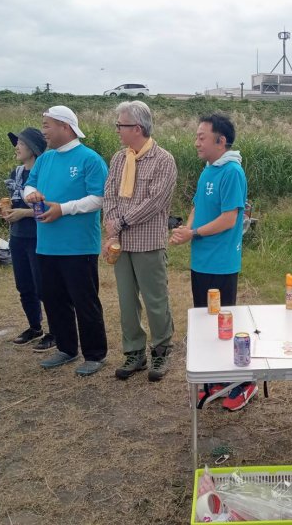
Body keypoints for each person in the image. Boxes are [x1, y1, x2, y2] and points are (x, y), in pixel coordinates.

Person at [169, 113, 252, 411]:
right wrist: (187, 230)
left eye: (201, 137)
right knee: (206, 322)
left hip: (221, 263)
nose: (196, 142)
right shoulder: (208, 170)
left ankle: (243, 382)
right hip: (201, 261)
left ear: (221, 140)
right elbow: (197, 206)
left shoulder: (232, 172)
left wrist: (194, 233)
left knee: (224, 324)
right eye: (196, 136)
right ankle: (216, 379)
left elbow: (229, 219)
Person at [23, 106, 109, 376]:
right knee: (53, 298)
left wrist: (63, 208)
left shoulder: (90, 159)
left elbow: (99, 198)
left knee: (84, 301)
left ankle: (95, 354)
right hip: (47, 244)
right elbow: (29, 184)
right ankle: (66, 347)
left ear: (65, 127)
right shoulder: (45, 159)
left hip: (79, 245)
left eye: (47, 125)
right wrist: (31, 195)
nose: (43, 131)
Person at [102, 101, 177, 382]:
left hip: (148, 242)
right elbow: (109, 194)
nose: (117, 130)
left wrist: (121, 222)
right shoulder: (119, 159)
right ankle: (134, 352)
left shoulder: (163, 160)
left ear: (137, 128)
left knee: (155, 300)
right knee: (126, 301)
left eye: (120, 125)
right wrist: (112, 229)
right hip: (121, 243)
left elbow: (154, 202)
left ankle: (161, 350)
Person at [0, 127, 53, 349]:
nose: (16, 147)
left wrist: (24, 213)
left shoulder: (44, 173)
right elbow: (15, 201)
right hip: (17, 236)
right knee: (24, 285)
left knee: (44, 287)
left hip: (39, 235)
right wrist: (5, 210)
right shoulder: (16, 173)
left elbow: (50, 206)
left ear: (33, 148)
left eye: (20, 143)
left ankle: (55, 332)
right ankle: (35, 327)